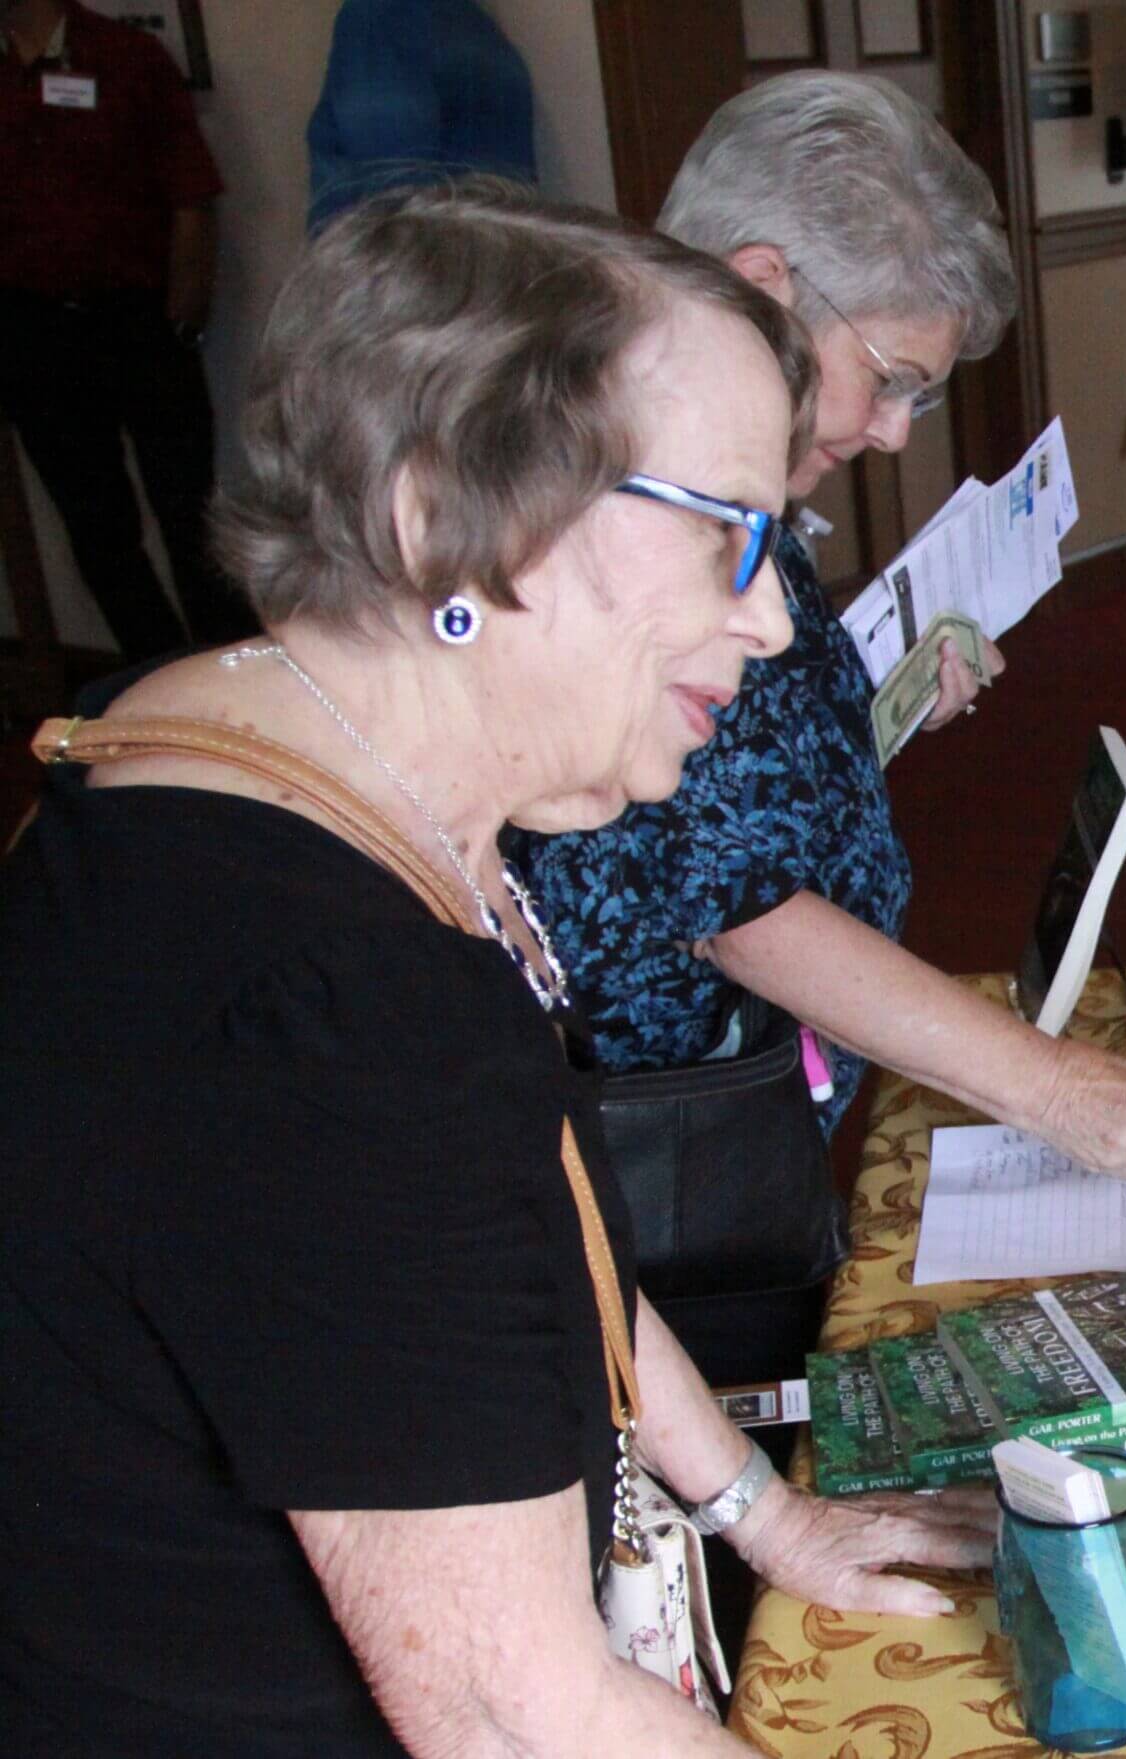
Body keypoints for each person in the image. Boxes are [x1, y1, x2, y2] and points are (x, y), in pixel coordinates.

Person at [0, 183, 994, 1757]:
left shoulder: (232, 744)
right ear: (436, 514)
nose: (761, 615)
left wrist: (760, 1514)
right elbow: (509, 1718)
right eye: (725, 527)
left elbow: (543, 1211)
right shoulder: (337, 1020)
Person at [523, 72, 1126, 1182]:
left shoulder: (709, 469)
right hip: (657, 1151)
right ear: (763, 287)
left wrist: (869, 705)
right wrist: (1054, 1087)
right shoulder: (642, 503)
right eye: (891, 378)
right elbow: (733, 898)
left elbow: (735, 774)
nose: (897, 432)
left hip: (735, 1104)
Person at [0, 0, 254, 657]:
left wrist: (182, 318)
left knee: (190, 516)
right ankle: (155, 682)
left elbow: (191, 197)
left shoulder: (127, 60)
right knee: (96, 530)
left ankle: (234, 679)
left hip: (137, 324)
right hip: (34, 334)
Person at [306, 0, 537, 231]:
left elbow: (394, 186)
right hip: (501, 251)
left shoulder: (379, 13)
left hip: (406, 255)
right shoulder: (481, 31)